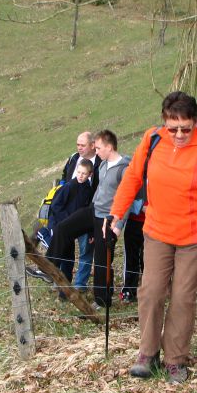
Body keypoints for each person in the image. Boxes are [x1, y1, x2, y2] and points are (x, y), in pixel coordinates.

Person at [109, 91, 197, 384]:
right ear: (164, 123)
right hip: (157, 230)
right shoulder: (152, 141)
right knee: (151, 291)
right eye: (173, 128)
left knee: (182, 296)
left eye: (185, 128)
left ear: (195, 121)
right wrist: (117, 215)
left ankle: (175, 359)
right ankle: (148, 353)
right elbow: (132, 177)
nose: (179, 134)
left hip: (195, 234)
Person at [46, 130, 130, 308]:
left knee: (102, 260)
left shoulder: (124, 169)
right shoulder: (102, 165)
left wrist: (118, 226)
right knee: (63, 228)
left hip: (107, 219)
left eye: (98, 148)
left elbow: (127, 199)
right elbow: (98, 192)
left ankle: (102, 300)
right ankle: (48, 267)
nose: (96, 151)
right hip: (92, 211)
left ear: (109, 147)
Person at [60, 131, 102, 290]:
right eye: (77, 144)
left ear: (92, 145)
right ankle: (63, 284)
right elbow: (64, 179)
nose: (79, 148)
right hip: (67, 215)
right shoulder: (73, 159)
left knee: (85, 251)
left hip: (87, 215)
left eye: (82, 145)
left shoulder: (100, 163)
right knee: (65, 250)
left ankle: (79, 286)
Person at [120, 194, 145, 303]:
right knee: (131, 258)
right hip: (134, 220)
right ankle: (129, 291)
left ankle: (150, 291)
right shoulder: (135, 177)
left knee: (148, 259)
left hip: (153, 222)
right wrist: (140, 206)